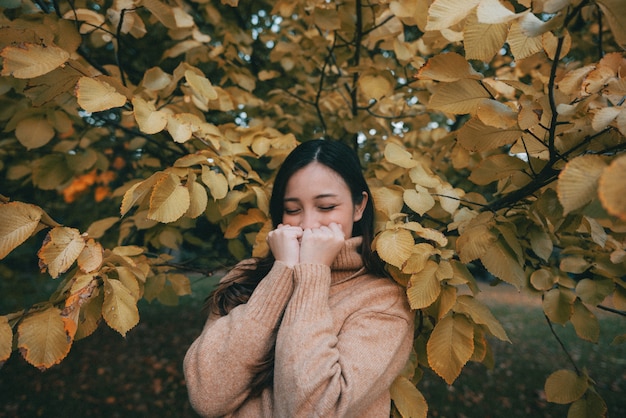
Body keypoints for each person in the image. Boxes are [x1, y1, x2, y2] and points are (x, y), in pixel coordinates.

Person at [183, 139, 414, 417]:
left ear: (358, 206)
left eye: (326, 207)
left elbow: (312, 410)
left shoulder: (384, 300)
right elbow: (208, 396)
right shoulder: (246, 276)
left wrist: (313, 274)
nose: (307, 224)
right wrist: (281, 274)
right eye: (293, 210)